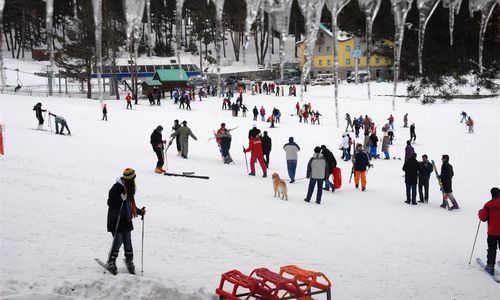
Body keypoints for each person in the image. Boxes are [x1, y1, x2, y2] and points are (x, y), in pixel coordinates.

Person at [105, 168, 145, 275]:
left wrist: (140, 211)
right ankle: (111, 261)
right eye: (132, 179)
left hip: (125, 219)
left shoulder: (129, 187)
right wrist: (120, 200)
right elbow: (110, 203)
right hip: (115, 219)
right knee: (118, 241)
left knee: (127, 241)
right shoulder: (116, 187)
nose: (134, 181)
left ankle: (129, 260)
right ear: (128, 179)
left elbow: (130, 204)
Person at [478, 187, 500, 275]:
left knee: (492, 248)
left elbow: (483, 217)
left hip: (493, 232)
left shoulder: (488, 204)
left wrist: (480, 212)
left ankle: (490, 266)